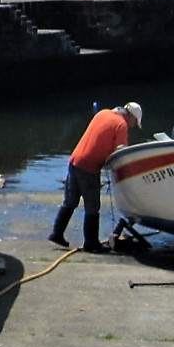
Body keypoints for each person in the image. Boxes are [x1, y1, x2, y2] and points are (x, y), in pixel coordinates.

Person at [50, 101, 143, 252]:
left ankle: (56, 233)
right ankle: (91, 244)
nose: (132, 125)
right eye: (134, 122)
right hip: (89, 166)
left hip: (75, 160)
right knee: (92, 206)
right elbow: (121, 151)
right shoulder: (121, 125)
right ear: (130, 116)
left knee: (70, 201)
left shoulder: (103, 113)